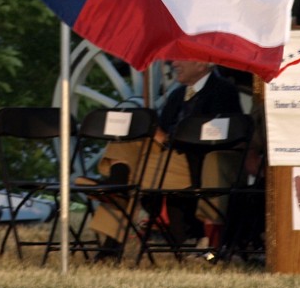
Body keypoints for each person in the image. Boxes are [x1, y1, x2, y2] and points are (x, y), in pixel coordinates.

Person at [88, 60, 243, 254]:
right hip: (168, 156)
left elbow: (222, 134)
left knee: (132, 178)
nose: (175, 63)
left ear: (202, 64)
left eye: (182, 58)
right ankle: (117, 182)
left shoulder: (223, 91)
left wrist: (167, 137)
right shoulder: (178, 94)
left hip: (195, 161)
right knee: (130, 137)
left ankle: (116, 197)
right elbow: (162, 129)